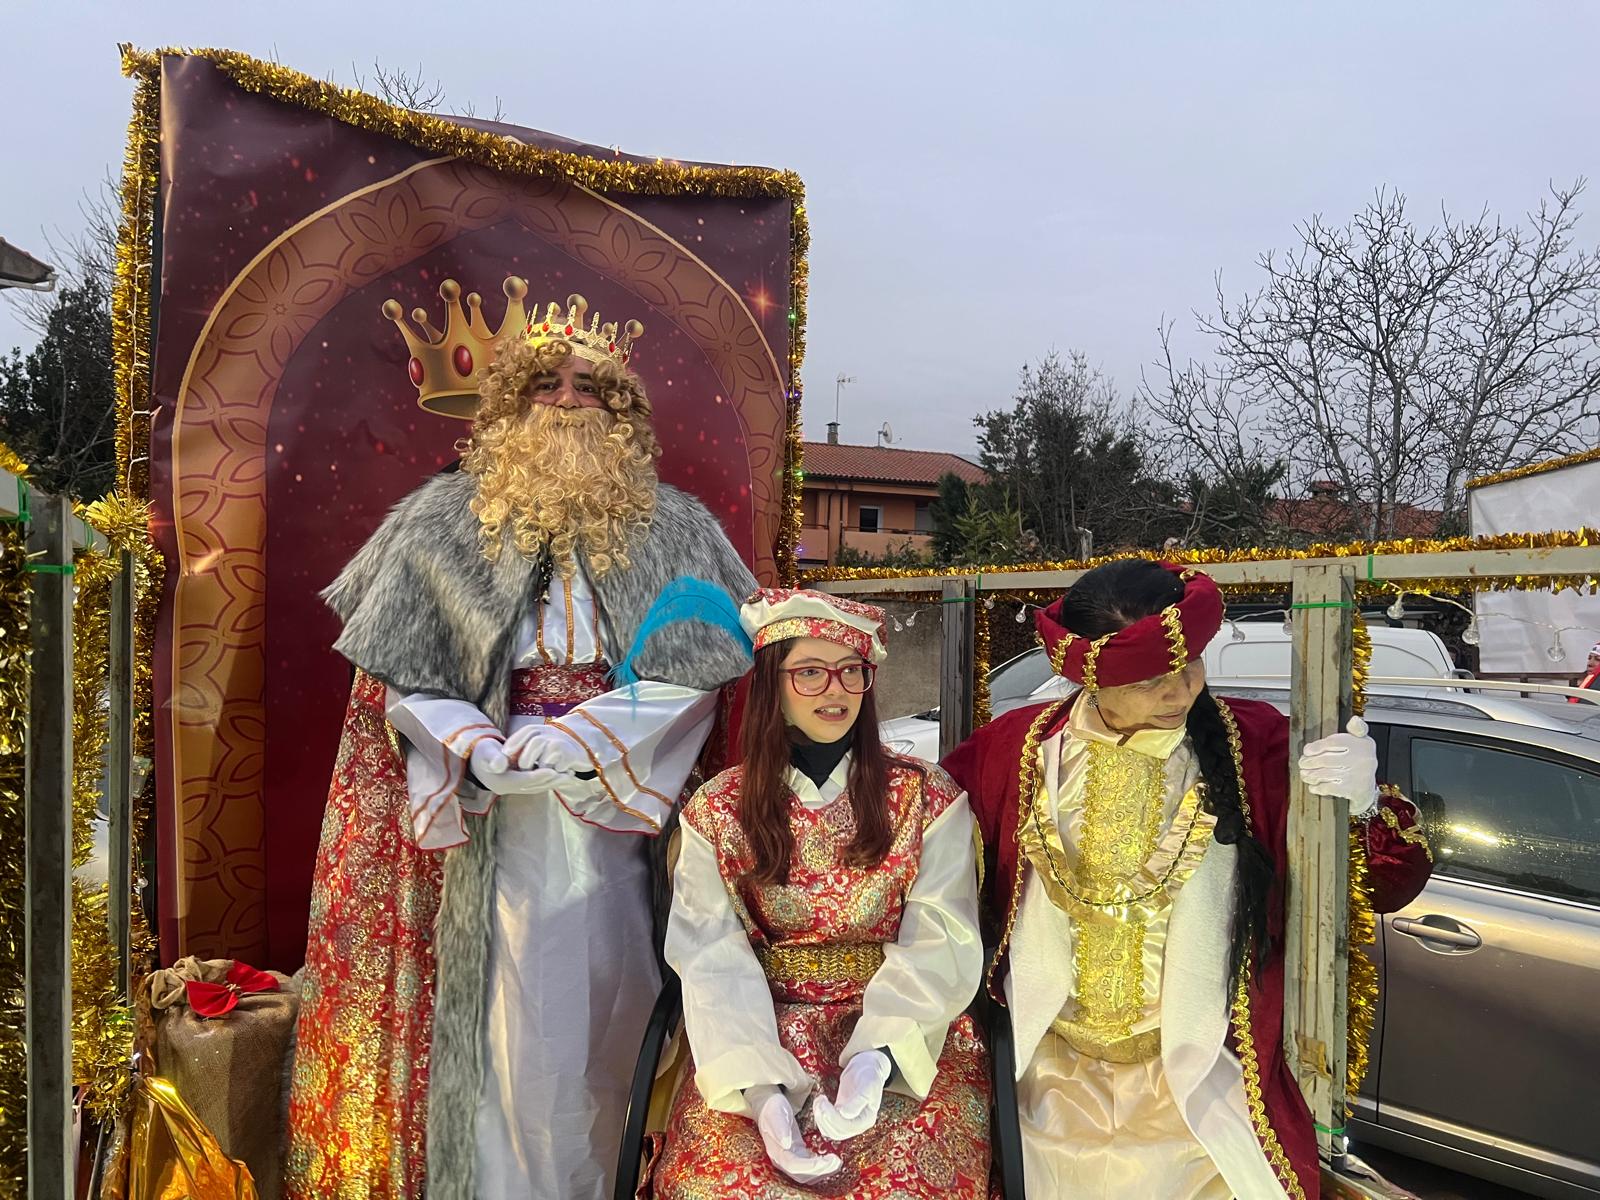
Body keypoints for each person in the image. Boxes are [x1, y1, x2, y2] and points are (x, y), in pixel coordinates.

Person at [284, 281, 758, 1200]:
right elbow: (403, 676)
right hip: (490, 828)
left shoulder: (677, 531)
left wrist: (588, 737)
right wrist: (471, 739)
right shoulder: (438, 525)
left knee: (617, 1012)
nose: (569, 402)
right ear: (508, 406)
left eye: (591, 388)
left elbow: (701, 676)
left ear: (623, 414)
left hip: (621, 815)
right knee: (503, 1028)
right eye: (547, 384)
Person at [943, 559, 1434, 1199]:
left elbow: (1391, 883)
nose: (1180, 693)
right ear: (1091, 679)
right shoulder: (1014, 750)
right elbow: (916, 863)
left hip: (1202, 1081)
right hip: (1042, 1080)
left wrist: (1363, 806)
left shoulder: (1256, 745)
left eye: (1192, 665)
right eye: (1150, 681)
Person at [647, 589, 992, 1198]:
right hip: (756, 1027)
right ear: (771, 686)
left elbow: (942, 937)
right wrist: (760, 1091)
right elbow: (710, 956)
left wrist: (878, 1057)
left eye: (851, 671)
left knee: (902, 1181)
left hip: (905, 1026)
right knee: (722, 1183)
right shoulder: (717, 811)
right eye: (809, 672)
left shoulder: (927, 798)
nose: (836, 690)